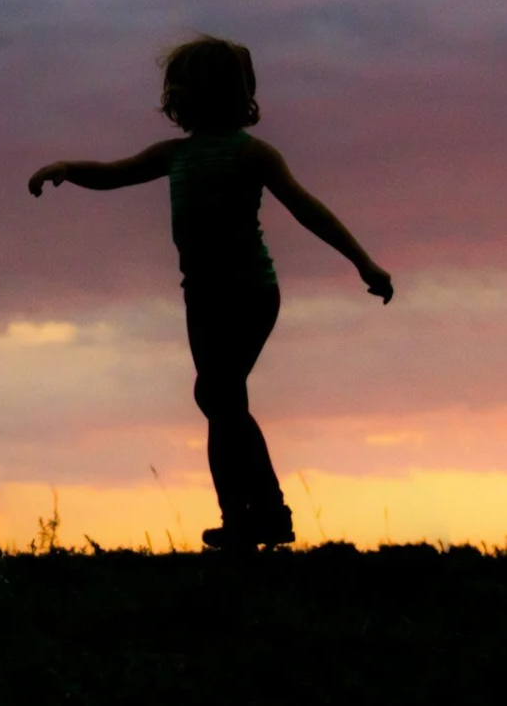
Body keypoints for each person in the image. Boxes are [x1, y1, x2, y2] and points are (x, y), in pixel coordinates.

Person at [28, 35, 392, 552]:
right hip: (200, 297)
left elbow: (307, 209)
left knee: (217, 396)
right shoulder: (175, 155)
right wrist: (66, 169)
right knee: (222, 401)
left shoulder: (253, 154)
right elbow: (113, 174)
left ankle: (263, 510)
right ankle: (245, 517)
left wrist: (364, 263)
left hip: (248, 293)